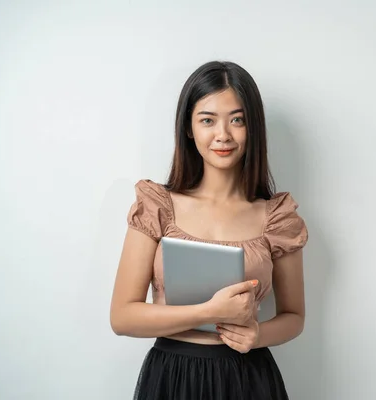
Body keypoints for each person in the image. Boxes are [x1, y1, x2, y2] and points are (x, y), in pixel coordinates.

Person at [110, 60, 309, 400]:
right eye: (207, 120)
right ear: (189, 128)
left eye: (237, 120)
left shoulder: (276, 217)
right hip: (173, 377)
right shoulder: (157, 206)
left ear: (253, 128)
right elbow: (122, 316)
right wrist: (209, 312)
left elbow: (294, 316)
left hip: (247, 378)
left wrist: (257, 336)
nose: (223, 135)